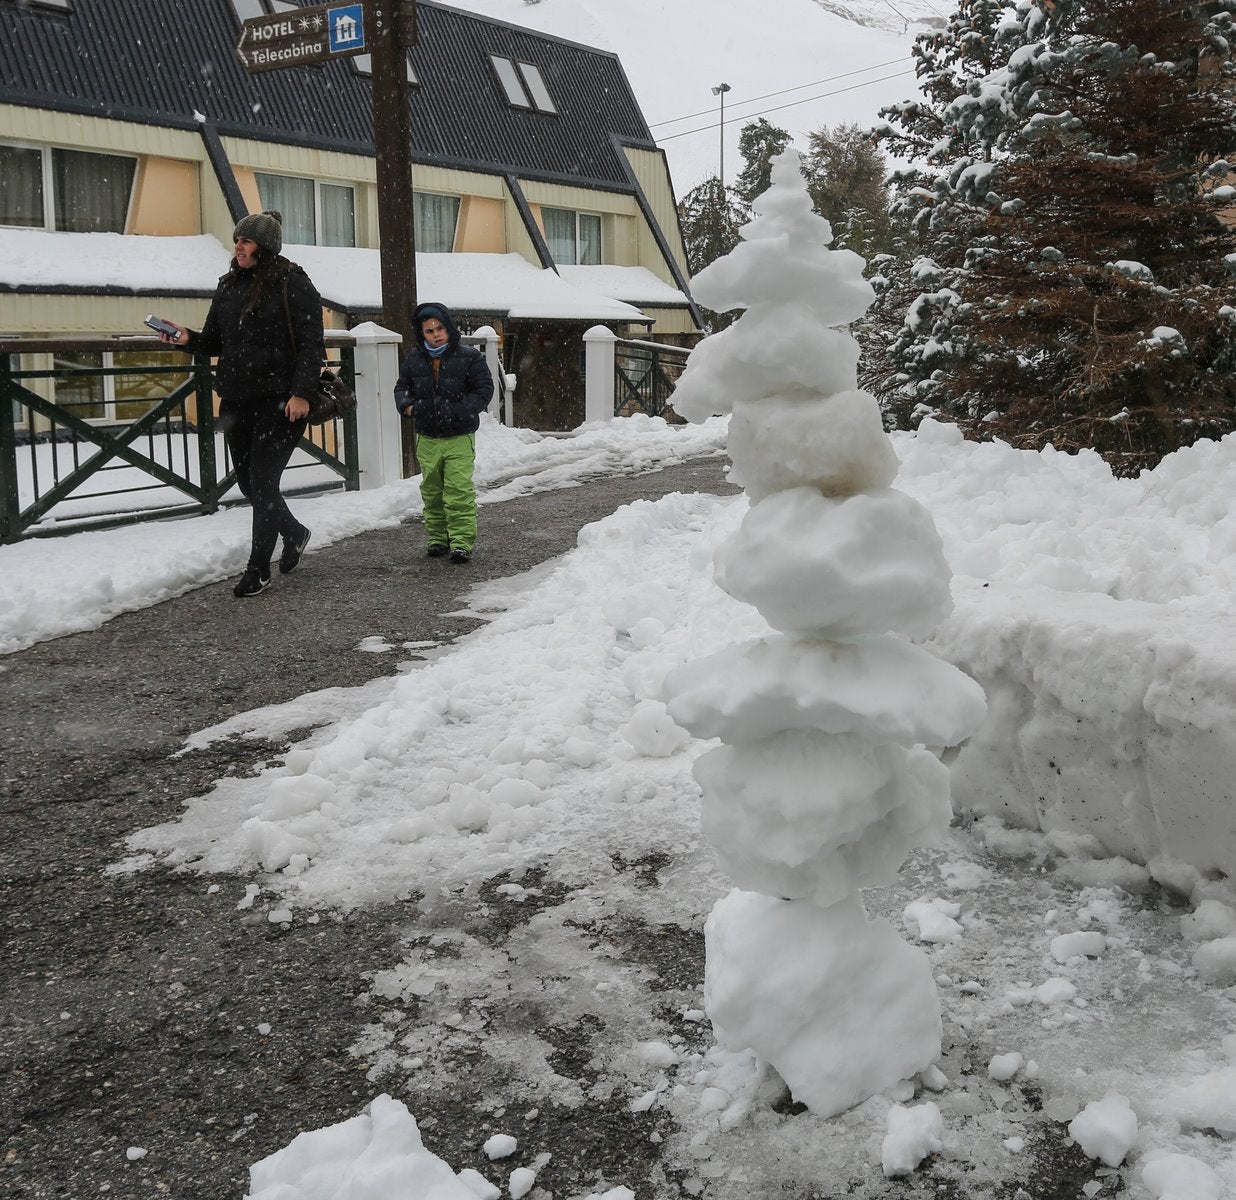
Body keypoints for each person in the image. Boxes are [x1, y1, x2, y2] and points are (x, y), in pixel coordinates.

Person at [157, 210, 321, 597]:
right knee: (250, 484)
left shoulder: (292, 282)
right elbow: (215, 340)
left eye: (246, 241)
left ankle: (258, 568)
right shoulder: (228, 285)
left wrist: (302, 393)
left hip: (280, 402)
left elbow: (313, 344)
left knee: (263, 483)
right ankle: (294, 532)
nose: (238, 247)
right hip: (235, 400)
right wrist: (186, 339)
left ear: (264, 248)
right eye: (237, 240)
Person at [393, 302, 494, 563]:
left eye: (440, 328)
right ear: (421, 334)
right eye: (429, 331)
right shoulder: (415, 359)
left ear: (449, 328)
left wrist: (462, 409)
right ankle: (438, 537)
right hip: (427, 436)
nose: (436, 334)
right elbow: (401, 388)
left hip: (459, 436)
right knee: (432, 489)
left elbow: (484, 389)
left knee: (458, 489)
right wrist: (408, 407)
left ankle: (461, 541)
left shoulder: (469, 357)